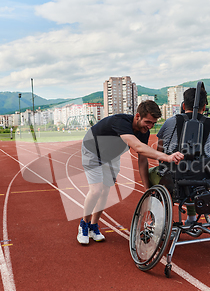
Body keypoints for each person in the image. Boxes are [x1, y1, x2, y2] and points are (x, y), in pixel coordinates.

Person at [77, 100, 184, 245]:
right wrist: (167, 157)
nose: (150, 126)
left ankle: (93, 226)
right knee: (96, 190)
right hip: (93, 152)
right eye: (148, 122)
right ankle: (84, 224)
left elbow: (142, 160)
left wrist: (147, 188)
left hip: (112, 156)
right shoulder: (120, 122)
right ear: (137, 116)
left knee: (105, 191)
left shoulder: (144, 132)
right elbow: (137, 147)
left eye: (153, 123)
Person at [156, 87, 210, 225]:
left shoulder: (168, 123)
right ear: (204, 107)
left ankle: (158, 220)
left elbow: (159, 154)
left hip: (174, 179)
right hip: (206, 182)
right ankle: (192, 219)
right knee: (195, 175)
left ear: (183, 105)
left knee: (152, 174)